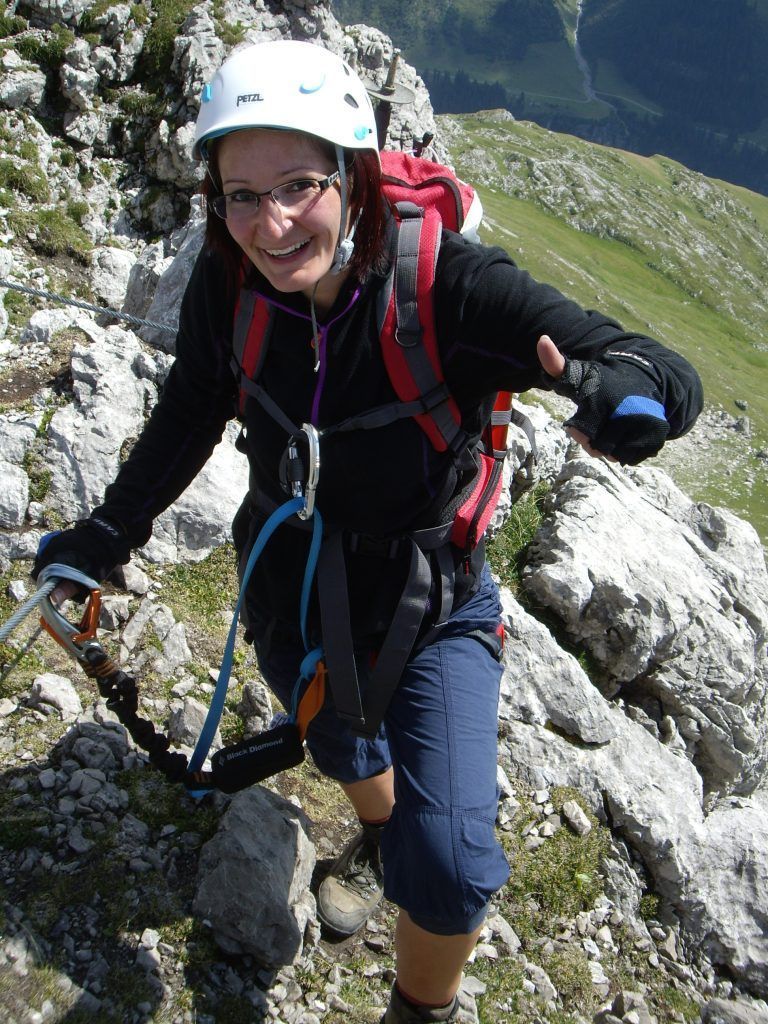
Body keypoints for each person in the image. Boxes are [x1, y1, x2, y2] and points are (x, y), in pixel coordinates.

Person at [33, 40, 703, 1024]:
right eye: (240, 194)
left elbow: (651, 363)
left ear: (350, 173)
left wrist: (626, 391)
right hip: (289, 585)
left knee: (457, 865)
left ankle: (415, 1008)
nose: (270, 222)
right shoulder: (233, 280)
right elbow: (189, 413)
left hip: (430, 603)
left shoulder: (445, 288)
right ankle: (380, 835)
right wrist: (103, 534)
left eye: (299, 185)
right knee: (343, 746)